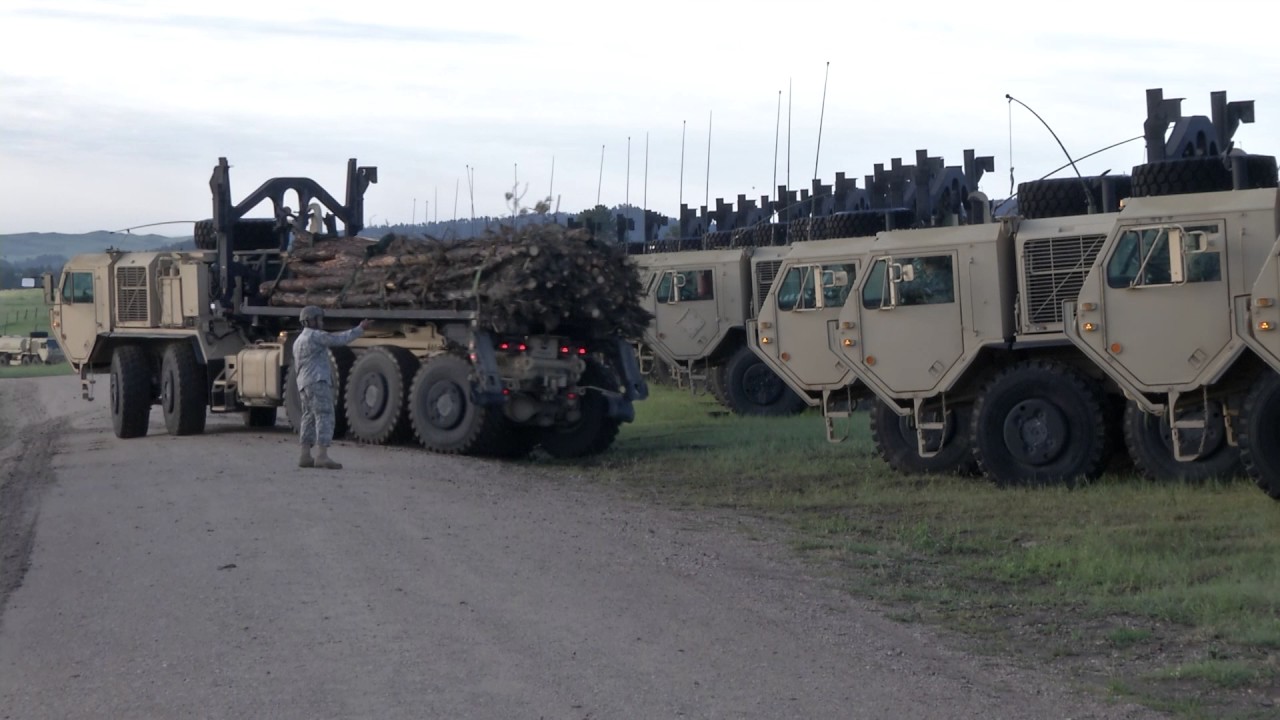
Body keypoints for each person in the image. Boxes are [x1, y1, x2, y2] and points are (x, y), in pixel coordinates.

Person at [294, 306, 370, 469]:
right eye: (319, 319)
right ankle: (322, 455)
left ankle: (305, 455)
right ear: (311, 320)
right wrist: (359, 329)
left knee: (308, 416)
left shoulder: (298, 340)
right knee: (325, 414)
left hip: (303, 383)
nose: (321, 322)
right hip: (317, 380)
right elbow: (339, 340)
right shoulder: (315, 336)